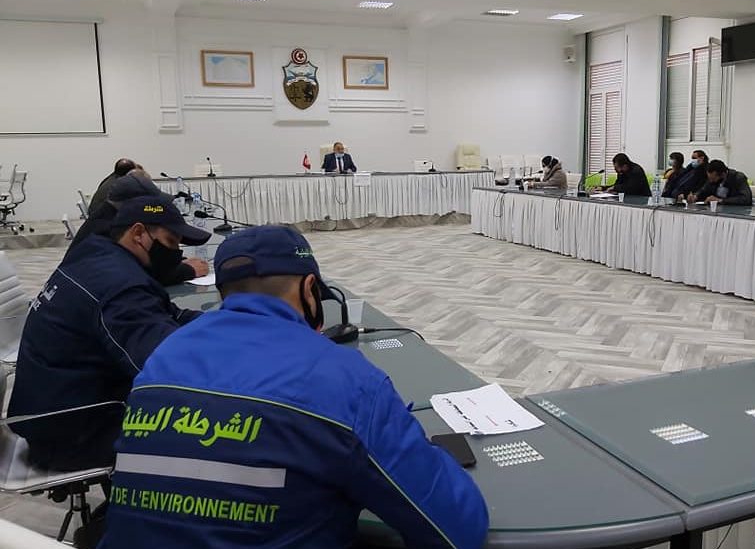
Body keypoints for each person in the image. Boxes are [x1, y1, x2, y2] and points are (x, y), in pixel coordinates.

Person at [99, 226, 489, 549]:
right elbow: (456, 528)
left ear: (223, 292)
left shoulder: (164, 356)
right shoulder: (346, 381)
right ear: (309, 289)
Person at [7, 196, 211, 471]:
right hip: (72, 435)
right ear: (138, 233)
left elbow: (166, 314)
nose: (176, 253)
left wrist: (227, 323)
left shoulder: (95, 255)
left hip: (46, 411)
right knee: (218, 423)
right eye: (171, 242)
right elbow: (168, 369)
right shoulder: (121, 288)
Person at [67, 169, 209, 284]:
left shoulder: (107, 217)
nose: (156, 209)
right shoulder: (105, 233)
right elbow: (132, 277)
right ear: (133, 206)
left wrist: (171, 260)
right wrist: (186, 270)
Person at [688, 159, 753, 206]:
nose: (711, 181)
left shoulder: (738, 178)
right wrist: (695, 196)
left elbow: (746, 199)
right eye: (709, 178)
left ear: (723, 174)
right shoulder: (712, 179)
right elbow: (704, 190)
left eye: (713, 179)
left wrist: (720, 200)